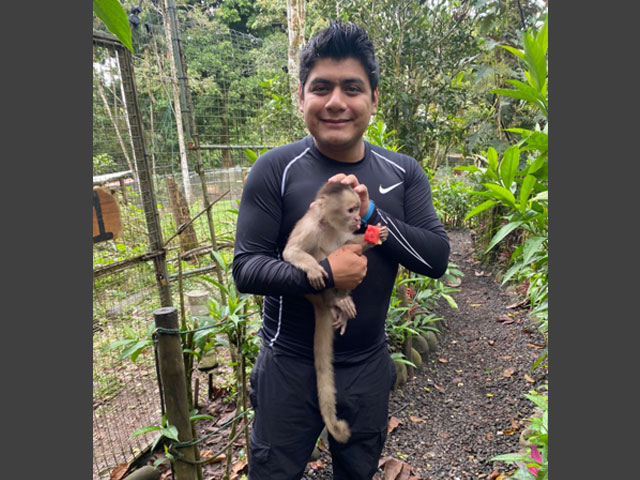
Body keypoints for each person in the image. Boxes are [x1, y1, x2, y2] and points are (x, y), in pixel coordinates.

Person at [232, 20, 450, 479]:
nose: (335, 101)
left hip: (368, 362)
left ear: (373, 99)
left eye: (352, 87)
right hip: (289, 363)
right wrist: (327, 274)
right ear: (301, 97)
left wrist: (370, 217)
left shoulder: (402, 172)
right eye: (321, 88)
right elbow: (247, 270)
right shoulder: (276, 170)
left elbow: (435, 259)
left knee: (358, 470)